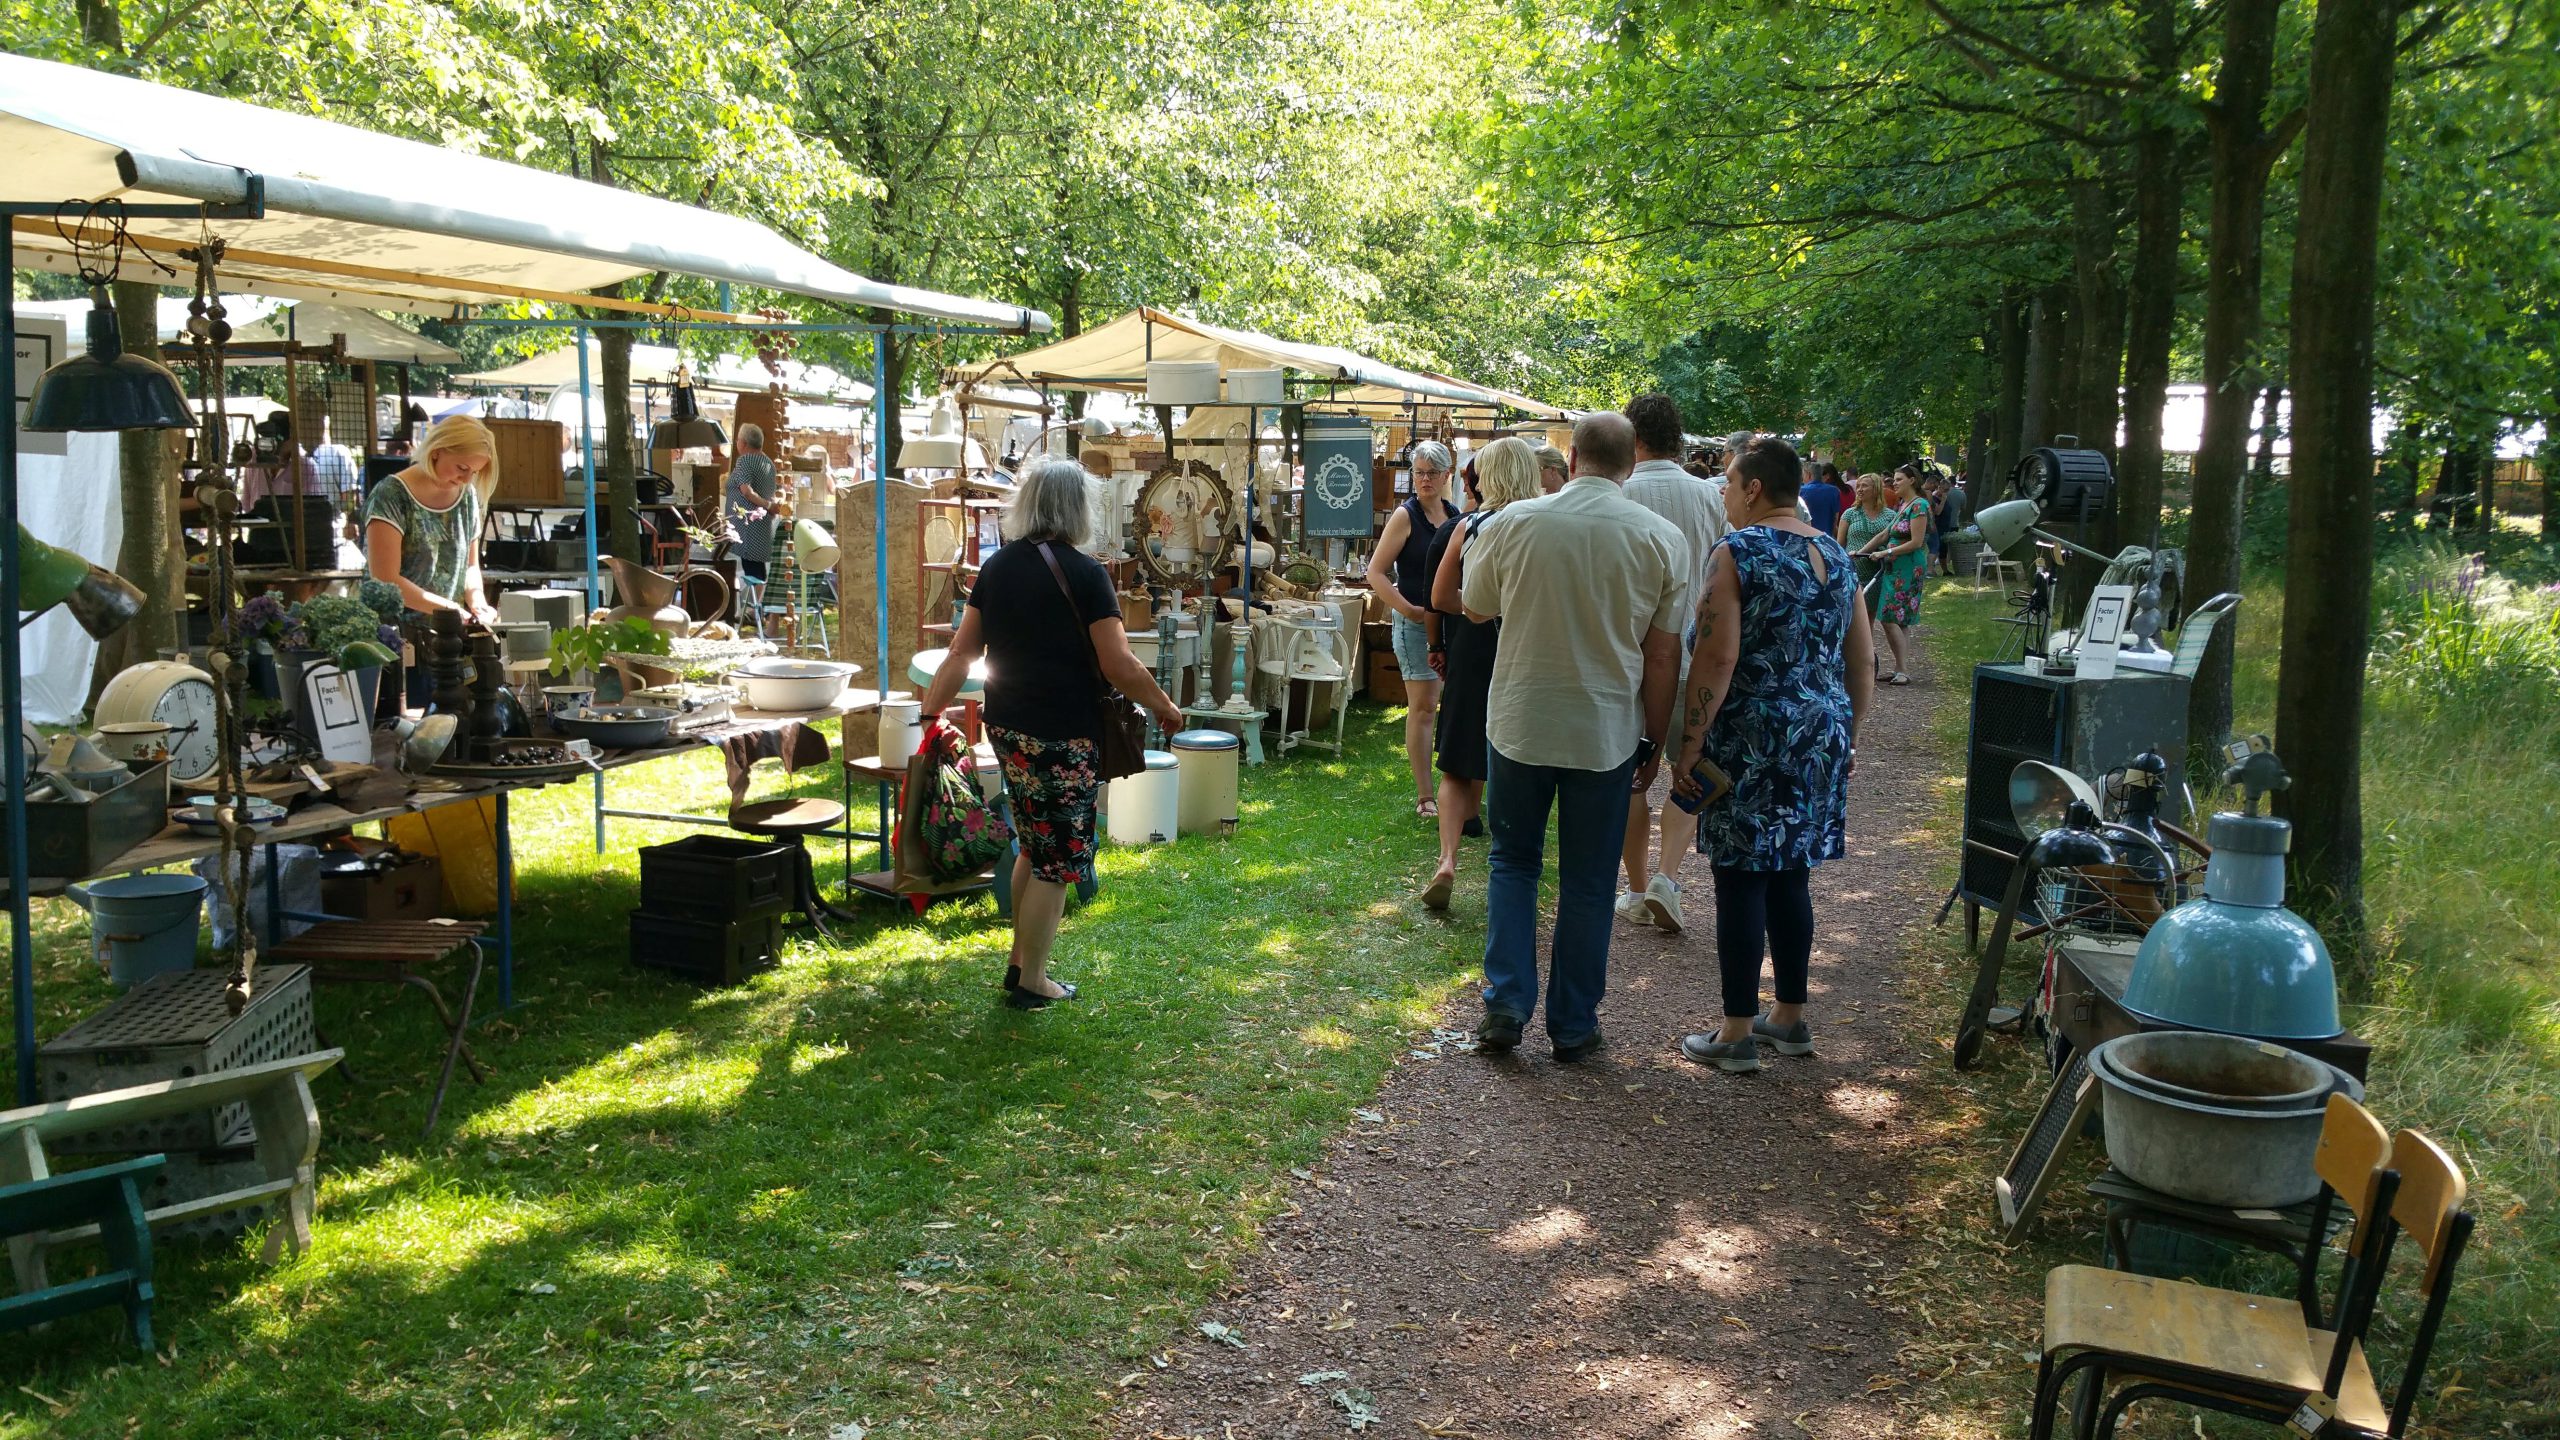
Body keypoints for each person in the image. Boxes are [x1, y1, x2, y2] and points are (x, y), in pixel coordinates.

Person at [1459, 414, 1685, 1061]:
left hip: (1521, 718)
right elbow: (1664, 654)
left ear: (1572, 456)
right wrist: (1656, 737)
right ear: (1631, 464)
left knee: (1513, 862)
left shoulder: (1514, 523)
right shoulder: (1660, 537)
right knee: (1588, 879)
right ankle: (1574, 1022)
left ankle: (1505, 1004)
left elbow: (1474, 606)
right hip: (1605, 729)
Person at [920, 458, 1184, 1010]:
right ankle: (1034, 980)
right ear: (1077, 508)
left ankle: (1020, 967)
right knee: (1057, 860)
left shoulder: (997, 568)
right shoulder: (1086, 574)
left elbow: (960, 653)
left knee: (1033, 847)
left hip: (1010, 728)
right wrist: (1164, 706)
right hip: (1064, 735)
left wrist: (929, 713)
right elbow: (1119, 664)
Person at [1672, 437, 1873, 1073]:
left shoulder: (1737, 553)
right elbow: (1860, 658)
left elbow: (1717, 656)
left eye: (1729, 483)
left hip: (1753, 733)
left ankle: (1734, 1031)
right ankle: (1787, 1016)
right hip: (1821, 729)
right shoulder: (1837, 557)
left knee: (1739, 874)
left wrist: (1692, 741)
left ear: (1753, 487)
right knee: (1792, 872)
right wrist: (1845, 732)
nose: (1726, 495)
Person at [1616, 393, 1727, 934]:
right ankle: (1666, 876)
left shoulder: (1622, 491)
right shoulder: (1710, 496)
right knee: (1689, 771)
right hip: (1694, 655)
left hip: (1631, 657)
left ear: (1633, 438)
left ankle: (1637, 888)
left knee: (1630, 778)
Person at [1418, 436, 1544, 909]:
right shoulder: (1544, 525)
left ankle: (1447, 859)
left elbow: (1439, 597)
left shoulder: (1469, 526)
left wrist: (1478, 612)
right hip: (1526, 649)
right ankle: (1508, 861)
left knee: (1455, 758)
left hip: (1473, 647)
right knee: (1515, 757)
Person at [1364, 440, 1459, 818]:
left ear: (1446, 476)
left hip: (1450, 622)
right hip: (1416, 622)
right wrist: (1408, 609)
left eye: (1432, 473)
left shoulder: (1454, 513)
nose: (1424, 480)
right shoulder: (1405, 516)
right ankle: (1425, 796)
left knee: (1453, 705)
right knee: (1423, 708)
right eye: (1419, 472)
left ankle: (1457, 786)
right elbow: (1376, 572)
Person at [366, 413, 498, 626]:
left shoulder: (467, 495)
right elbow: (384, 578)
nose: (466, 479)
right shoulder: (391, 494)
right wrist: (449, 609)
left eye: (474, 472)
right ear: (437, 451)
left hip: (447, 632)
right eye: (462, 468)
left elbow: (471, 566)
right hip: (391, 636)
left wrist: (477, 602)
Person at [1838, 472, 1893, 675]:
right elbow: (1840, 543)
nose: (1859, 490)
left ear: (1876, 489)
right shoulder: (1850, 514)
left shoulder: (1889, 516)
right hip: (1855, 567)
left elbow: (1892, 540)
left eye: (1865, 486)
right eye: (1858, 486)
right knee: (1856, 615)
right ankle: (1860, 656)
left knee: (1870, 616)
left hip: (1878, 570)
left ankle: (1866, 658)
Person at [727, 424, 780, 617]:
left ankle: (755, 610)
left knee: (752, 567)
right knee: (756, 566)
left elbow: (746, 491)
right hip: (760, 524)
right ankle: (757, 608)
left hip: (748, 524)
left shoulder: (745, 461)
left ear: (743, 443)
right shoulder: (767, 462)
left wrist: (766, 505)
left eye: (738, 440)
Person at [1801, 461, 1846, 537]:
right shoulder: (1834, 491)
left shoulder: (1801, 491)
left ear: (1809, 475)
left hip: (1806, 538)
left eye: (1803, 475)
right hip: (1826, 538)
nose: (1802, 478)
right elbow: (1835, 519)